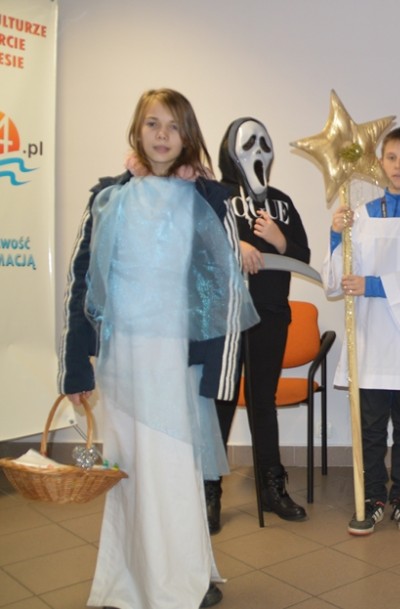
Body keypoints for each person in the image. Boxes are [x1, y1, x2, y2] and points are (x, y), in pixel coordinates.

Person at [59, 89, 258, 609]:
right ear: (137, 130)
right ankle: (132, 579)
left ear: (187, 134)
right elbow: (82, 282)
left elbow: (226, 285)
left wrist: (219, 372)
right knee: (130, 472)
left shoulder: (208, 198)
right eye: (152, 124)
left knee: (173, 468)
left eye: (173, 125)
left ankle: (183, 577)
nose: (162, 135)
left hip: (175, 358)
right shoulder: (109, 198)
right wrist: (75, 366)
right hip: (123, 358)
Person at [323, 127, 400, 536]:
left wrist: (374, 285)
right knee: (372, 425)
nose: (398, 165)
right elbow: (339, 277)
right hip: (371, 336)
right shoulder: (358, 216)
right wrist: (336, 235)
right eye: (391, 157)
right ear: (380, 164)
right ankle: (374, 496)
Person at [209, 117, 311, 532]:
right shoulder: (215, 195)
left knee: (262, 400)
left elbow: (302, 255)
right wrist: (237, 245)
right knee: (221, 400)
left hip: (270, 314)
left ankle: (272, 485)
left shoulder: (282, 202)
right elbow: (197, 244)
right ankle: (209, 489)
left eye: (265, 144)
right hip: (225, 316)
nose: (258, 152)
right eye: (249, 143)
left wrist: (277, 238)